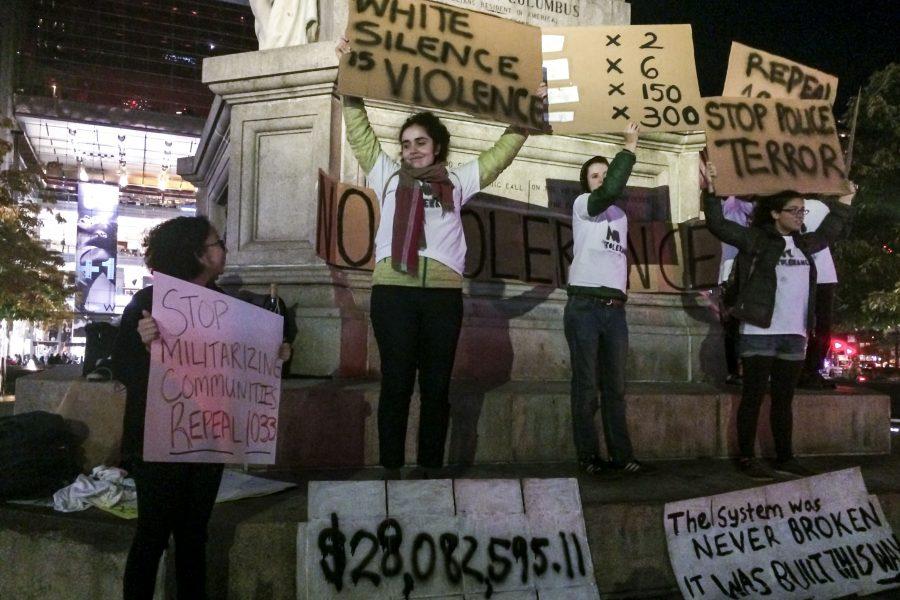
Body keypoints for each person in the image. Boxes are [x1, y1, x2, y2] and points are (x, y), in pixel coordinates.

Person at [335, 37, 543, 474]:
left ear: (438, 148)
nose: (412, 149)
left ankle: (430, 467)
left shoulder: (458, 181)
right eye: (407, 142)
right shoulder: (387, 173)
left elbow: (502, 153)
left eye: (421, 142)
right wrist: (349, 77)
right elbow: (358, 128)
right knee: (396, 385)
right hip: (393, 294)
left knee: (435, 387)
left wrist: (528, 111)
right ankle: (390, 467)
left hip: (442, 298)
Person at [112, 216, 289, 599]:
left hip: (207, 439)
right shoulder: (147, 303)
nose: (223, 249)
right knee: (153, 535)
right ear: (198, 255)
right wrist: (144, 344)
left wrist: (278, 355)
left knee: (194, 534)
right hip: (159, 440)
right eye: (217, 243)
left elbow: (246, 368)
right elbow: (123, 366)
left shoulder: (227, 306)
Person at [703, 164, 854, 480]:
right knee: (753, 397)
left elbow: (829, 232)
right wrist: (711, 190)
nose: (800, 215)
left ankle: (785, 457)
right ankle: (747, 458)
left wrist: (846, 200)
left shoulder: (804, 243)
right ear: (774, 213)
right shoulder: (755, 240)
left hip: (794, 335)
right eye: (793, 210)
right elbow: (716, 224)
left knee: (784, 400)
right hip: (759, 331)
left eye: (801, 210)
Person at [565, 122, 651, 475]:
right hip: (585, 307)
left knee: (615, 388)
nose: (601, 179)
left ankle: (622, 456)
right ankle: (588, 457)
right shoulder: (584, 204)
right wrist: (629, 148)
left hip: (615, 311)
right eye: (595, 175)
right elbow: (609, 190)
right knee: (587, 387)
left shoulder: (620, 215)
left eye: (604, 174)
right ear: (587, 183)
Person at [798, 198, 839, 389]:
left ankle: (813, 369)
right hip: (795, 273)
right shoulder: (781, 203)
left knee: (822, 327)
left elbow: (839, 229)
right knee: (798, 325)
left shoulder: (822, 205)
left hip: (823, 274)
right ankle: (800, 369)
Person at [717, 196, 754, 386]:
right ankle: (734, 370)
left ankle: (749, 368)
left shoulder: (762, 211)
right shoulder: (732, 206)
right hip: (731, 274)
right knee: (732, 324)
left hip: (754, 276)